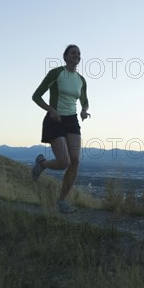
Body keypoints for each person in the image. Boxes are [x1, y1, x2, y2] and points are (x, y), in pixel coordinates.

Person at [31, 44, 90, 214]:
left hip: (72, 121)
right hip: (54, 119)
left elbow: (85, 100)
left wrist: (84, 111)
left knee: (76, 161)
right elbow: (36, 96)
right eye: (73, 53)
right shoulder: (56, 73)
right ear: (65, 57)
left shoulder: (81, 80)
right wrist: (51, 110)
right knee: (64, 162)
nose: (76, 56)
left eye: (79, 54)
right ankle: (42, 164)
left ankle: (62, 201)